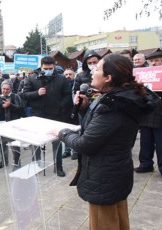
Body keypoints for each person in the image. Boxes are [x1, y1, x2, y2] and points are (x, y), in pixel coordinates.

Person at [51, 54, 157, 230]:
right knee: (118, 221)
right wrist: (85, 108)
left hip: (104, 176)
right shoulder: (120, 98)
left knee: (105, 223)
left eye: (97, 68)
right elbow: (104, 131)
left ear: (108, 78)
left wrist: (61, 132)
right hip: (115, 172)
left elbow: (85, 144)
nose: (92, 72)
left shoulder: (114, 106)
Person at [22, 56, 72, 177]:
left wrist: (60, 106)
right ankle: (37, 165)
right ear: (41, 66)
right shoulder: (32, 78)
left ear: (54, 66)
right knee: (37, 143)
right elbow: (24, 95)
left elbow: (67, 95)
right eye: (46, 68)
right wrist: (37, 93)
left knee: (57, 143)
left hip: (56, 116)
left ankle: (58, 166)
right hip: (38, 117)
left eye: (50, 68)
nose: (48, 70)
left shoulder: (61, 78)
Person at [134, 51, 162, 175]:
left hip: (160, 113)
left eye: (157, 60)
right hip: (146, 112)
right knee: (145, 141)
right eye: (151, 61)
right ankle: (145, 164)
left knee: (160, 142)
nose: (154, 63)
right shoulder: (142, 74)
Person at [0, 80, 25, 169]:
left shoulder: (15, 96)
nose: (5, 91)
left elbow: (21, 109)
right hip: (1, 125)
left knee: (15, 145)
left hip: (12, 125)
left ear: (11, 89)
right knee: (2, 145)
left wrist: (10, 105)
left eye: (7, 89)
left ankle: (17, 162)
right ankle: (4, 161)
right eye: (3, 89)